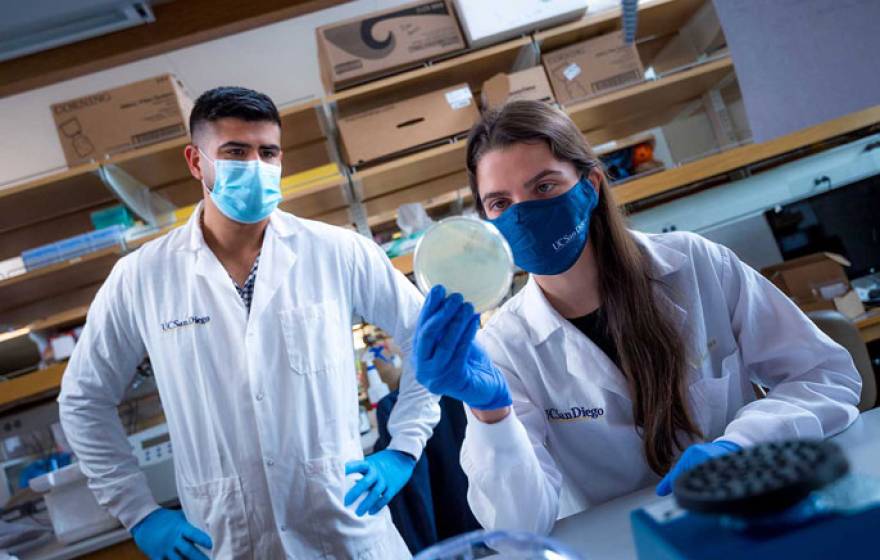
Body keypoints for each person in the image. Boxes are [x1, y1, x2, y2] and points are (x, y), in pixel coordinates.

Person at [412, 100, 862, 535]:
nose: (523, 215)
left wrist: (739, 446)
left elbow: (826, 375)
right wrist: (492, 414)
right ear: (485, 222)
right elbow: (519, 524)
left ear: (590, 185)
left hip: (749, 513)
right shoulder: (504, 346)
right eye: (500, 203)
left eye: (544, 187)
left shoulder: (695, 264)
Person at [58, 87, 439, 559]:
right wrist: (139, 512)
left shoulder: (338, 251)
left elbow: (429, 338)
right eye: (235, 153)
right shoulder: (142, 277)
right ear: (196, 162)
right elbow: (84, 400)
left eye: (268, 153)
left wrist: (404, 447)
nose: (256, 166)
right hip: (228, 540)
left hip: (347, 533)